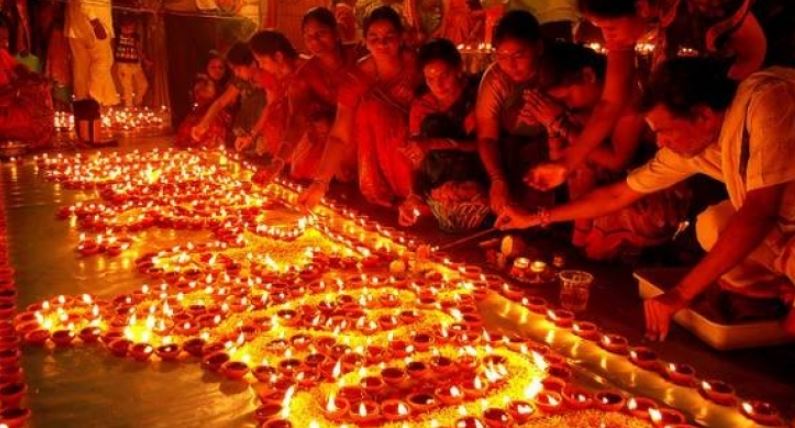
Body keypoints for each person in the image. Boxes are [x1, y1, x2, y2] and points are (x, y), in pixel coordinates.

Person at [497, 57, 795, 340]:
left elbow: (758, 213)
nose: (661, 143)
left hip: (782, 226)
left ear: (703, 114)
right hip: (784, 232)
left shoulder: (767, 102)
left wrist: (678, 295)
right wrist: (534, 218)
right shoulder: (697, 143)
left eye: (665, 132)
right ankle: (781, 288)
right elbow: (618, 194)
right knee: (713, 226)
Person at [525, 0, 768, 193]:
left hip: (752, 112)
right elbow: (610, 102)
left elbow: (753, 54)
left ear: (640, 6)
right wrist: (567, 164)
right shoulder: (634, 23)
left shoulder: (704, 6)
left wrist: (709, 115)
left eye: (609, 27)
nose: (607, 37)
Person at [526, 41, 689, 259]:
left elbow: (617, 160)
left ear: (588, 76)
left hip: (655, 191)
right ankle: (580, 238)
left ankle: (585, 241)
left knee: (587, 160)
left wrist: (559, 122)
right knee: (579, 160)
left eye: (567, 97)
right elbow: (559, 159)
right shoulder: (579, 107)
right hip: (617, 185)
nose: (568, 105)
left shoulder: (630, 94)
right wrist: (551, 125)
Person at [299, 6, 421, 209]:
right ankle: (381, 187)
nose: (381, 43)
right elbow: (340, 133)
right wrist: (320, 184)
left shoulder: (416, 65)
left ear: (401, 38)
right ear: (365, 40)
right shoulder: (357, 76)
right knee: (369, 109)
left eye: (389, 36)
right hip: (380, 147)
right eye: (374, 37)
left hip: (418, 143)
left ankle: (414, 191)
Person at [247, 8, 360, 184]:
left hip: (362, 125)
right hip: (330, 131)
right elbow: (297, 120)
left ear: (336, 33)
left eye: (321, 33)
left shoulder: (359, 57)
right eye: (308, 36)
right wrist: (277, 162)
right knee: (302, 167)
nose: (314, 41)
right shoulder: (305, 75)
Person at [397, 37, 487, 227]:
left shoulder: (475, 98)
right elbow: (417, 159)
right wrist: (412, 195)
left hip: (473, 175)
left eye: (443, 76)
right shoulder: (422, 106)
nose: (438, 85)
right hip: (436, 181)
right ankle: (436, 204)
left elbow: (484, 146)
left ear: (458, 69)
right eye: (430, 79)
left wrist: (435, 143)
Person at [476, 10, 550, 217]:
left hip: (554, 150)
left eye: (519, 55)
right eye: (502, 56)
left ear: (538, 48)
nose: (511, 65)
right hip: (510, 150)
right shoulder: (496, 79)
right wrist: (497, 179)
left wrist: (551, 120)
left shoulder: (554, 72)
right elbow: (487, 137)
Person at [191, 42, 265, 152]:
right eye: (233, 70)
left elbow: (270, 109)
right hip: (247, 123)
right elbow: (220, 102)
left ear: (253, 64)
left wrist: (252, 135)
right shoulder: (241, 80)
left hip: (264, 123)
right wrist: (203, 124)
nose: (236, 73)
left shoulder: (268, 80)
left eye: (238, 69)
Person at [0, 22, 54, 149]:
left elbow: (19, 69)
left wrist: (37, 78)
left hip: (11, 104)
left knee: (41, 96)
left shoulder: (1, 53)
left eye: (6, 39)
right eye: (0, 39)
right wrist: (18, 89)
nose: (4, 43)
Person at [65, 0, 119, 106]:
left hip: (80, 27)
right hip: (94, 27)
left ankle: (84, 104)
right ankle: (93, 97)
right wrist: (95, 23)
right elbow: (84, 4)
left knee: (82, 67)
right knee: (104, 60)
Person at [114, 14, 148, 107]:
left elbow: (139, 49)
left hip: (135, 64)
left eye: (131, 28)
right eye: (126, 27)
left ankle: (137, 101)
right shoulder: (117, 36)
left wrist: (145, 60)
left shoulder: (135, 37)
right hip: (123, 64)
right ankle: (129, 107)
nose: (129, 30)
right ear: (121, 27)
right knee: (127, 87)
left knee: (143, 84)